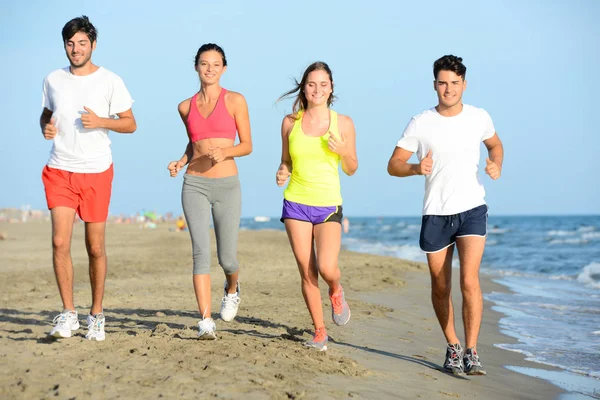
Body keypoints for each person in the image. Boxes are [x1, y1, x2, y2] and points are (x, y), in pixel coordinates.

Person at [387, 55, 504, 375]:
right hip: (436, 213)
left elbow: (495, 145)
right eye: (442, 83)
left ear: (464, 84)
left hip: (472, 208)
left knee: (469, 281)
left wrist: (496, 162)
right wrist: (414, 168)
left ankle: (472, 350)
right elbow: (393, 164)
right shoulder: (420, 122)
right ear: (435, 85)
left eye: (454, 83)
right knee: (440, 286)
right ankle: (453, 346)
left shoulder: (479, 117)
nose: (448, 89)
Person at [40, 16, 136, 341]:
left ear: (93, 45)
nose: (75, 49)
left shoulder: (110, 80)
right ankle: (68, 314)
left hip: (96, 171)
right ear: (64, 46)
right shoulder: (53, 79)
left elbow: (130, 123)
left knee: (94, 247)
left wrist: (101, 121)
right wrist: (46, 127)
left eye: (82, 43)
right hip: (60, 169)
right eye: (70, 43)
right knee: (59, 242)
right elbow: (46, 112)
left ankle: (96, 314)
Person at [167, 44, 252, 340]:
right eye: (205, 64)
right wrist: (181, 161)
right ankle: (205, 320)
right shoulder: (185, 107)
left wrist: (226, 152)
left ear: (224, 68)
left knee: (227, 258)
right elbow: (194, 144)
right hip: (194, 184)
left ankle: (232, 288)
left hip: (227, 186)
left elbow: (247, 145)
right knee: (200, 253)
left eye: (216, 64)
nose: (210, 69)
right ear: (196, 67)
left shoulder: (235, 100)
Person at [276, 62, 358, 351]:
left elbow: (351, 168)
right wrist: (282, 170)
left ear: (331, 87)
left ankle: (336, 290)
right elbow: (286, 159)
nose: (317, 89)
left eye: (324, 84)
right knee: (307, 270)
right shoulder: (290, 122)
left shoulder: (343, 123)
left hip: (328, 205)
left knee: (326, 267)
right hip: (296, 202)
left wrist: (344, 151)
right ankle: (320, 331)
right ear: (304, 87)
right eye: (312, 84)